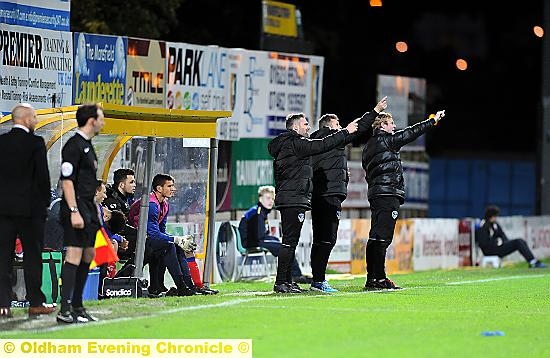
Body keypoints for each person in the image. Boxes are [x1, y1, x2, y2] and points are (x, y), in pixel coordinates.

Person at [267, 112, 360, 293]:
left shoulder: (288, 144)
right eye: (305, 124)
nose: (308, 127)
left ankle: (287, 280)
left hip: (292, 197)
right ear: (295, 127)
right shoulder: (296, 143)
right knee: (289, 241)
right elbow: (323, 144)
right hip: (293, 198)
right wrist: (345, 132)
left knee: (290, 241)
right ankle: (281, 282)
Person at [309, 97, 388, 293]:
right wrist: (376, 110)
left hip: (318, 194)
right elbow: (360, 128)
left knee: (319, 239)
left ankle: (316, 279)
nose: (342, 127)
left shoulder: (313, 140)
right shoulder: (333, 139)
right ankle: (319, 281)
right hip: (330, 194)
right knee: (328, 238)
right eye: (338, 124)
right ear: (330, 126)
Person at [362, 109, 445, 290]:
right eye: (391, 123)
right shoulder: (388, 140)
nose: (394, 126)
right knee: (383, 238)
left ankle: (372, 279)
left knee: (375, 237)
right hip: (388, 193)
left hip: (375, 194)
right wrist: (432, 121)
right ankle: (380, 279)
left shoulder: (368, 146)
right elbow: (411, 132)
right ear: (382, 126)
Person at [0, 103, 56, 318]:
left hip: (3, 210)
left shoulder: (1, 142)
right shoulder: (35, 143)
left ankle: (3, 304)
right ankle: (35, 303)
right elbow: (42, 178)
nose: (36, 121)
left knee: (3, 257)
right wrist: (44, 205)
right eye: (34, 117)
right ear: (24, 118)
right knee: (33, 256)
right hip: (30, 211)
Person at [56, 103, 105, 324]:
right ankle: (64, 308)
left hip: (88, 208)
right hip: (75, 207)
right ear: (92, 120)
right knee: (74, 254)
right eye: (101, 117)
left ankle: (78, 306)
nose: (103, 122)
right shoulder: (73, 146)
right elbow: (67, 181)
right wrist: (74, 211)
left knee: (89, 255)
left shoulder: (88, 145)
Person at [128, 174, 202, 297]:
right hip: (134, 241)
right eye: (170, 186)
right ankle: (182, 288)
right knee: (169, 246)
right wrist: (176, 239)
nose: (174, 189)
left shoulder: (165, 204)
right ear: (159, 188)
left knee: (176, 246)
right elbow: (154, 234)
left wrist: (178, 241)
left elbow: (160, 231)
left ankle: (189, 286)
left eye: (173, 185)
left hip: (146, 240)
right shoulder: (151, 204)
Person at [238, 185, 311, 284]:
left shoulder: (261, 211)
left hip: (256, 240)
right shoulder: (257, 212)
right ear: (260, 198)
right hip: (252, 242)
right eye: (268, 198)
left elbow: (262, 234)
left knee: (283, 245)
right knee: (285, 247)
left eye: (272, 199)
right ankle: (295, 275)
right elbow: (258, 236)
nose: (271, 201)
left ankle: (295, 274)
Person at [476, 205, 546, 268]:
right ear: (491, 216)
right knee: (518, 242)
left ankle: (532, 261)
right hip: (490, 251)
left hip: (498, 248)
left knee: (521, 241)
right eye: (495, 216)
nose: (496, 218)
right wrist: (497, 242)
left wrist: (504, 242)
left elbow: (502, 235)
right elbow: (483, 243)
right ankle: (533, 262)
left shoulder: (495, 225)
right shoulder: (483, 226)